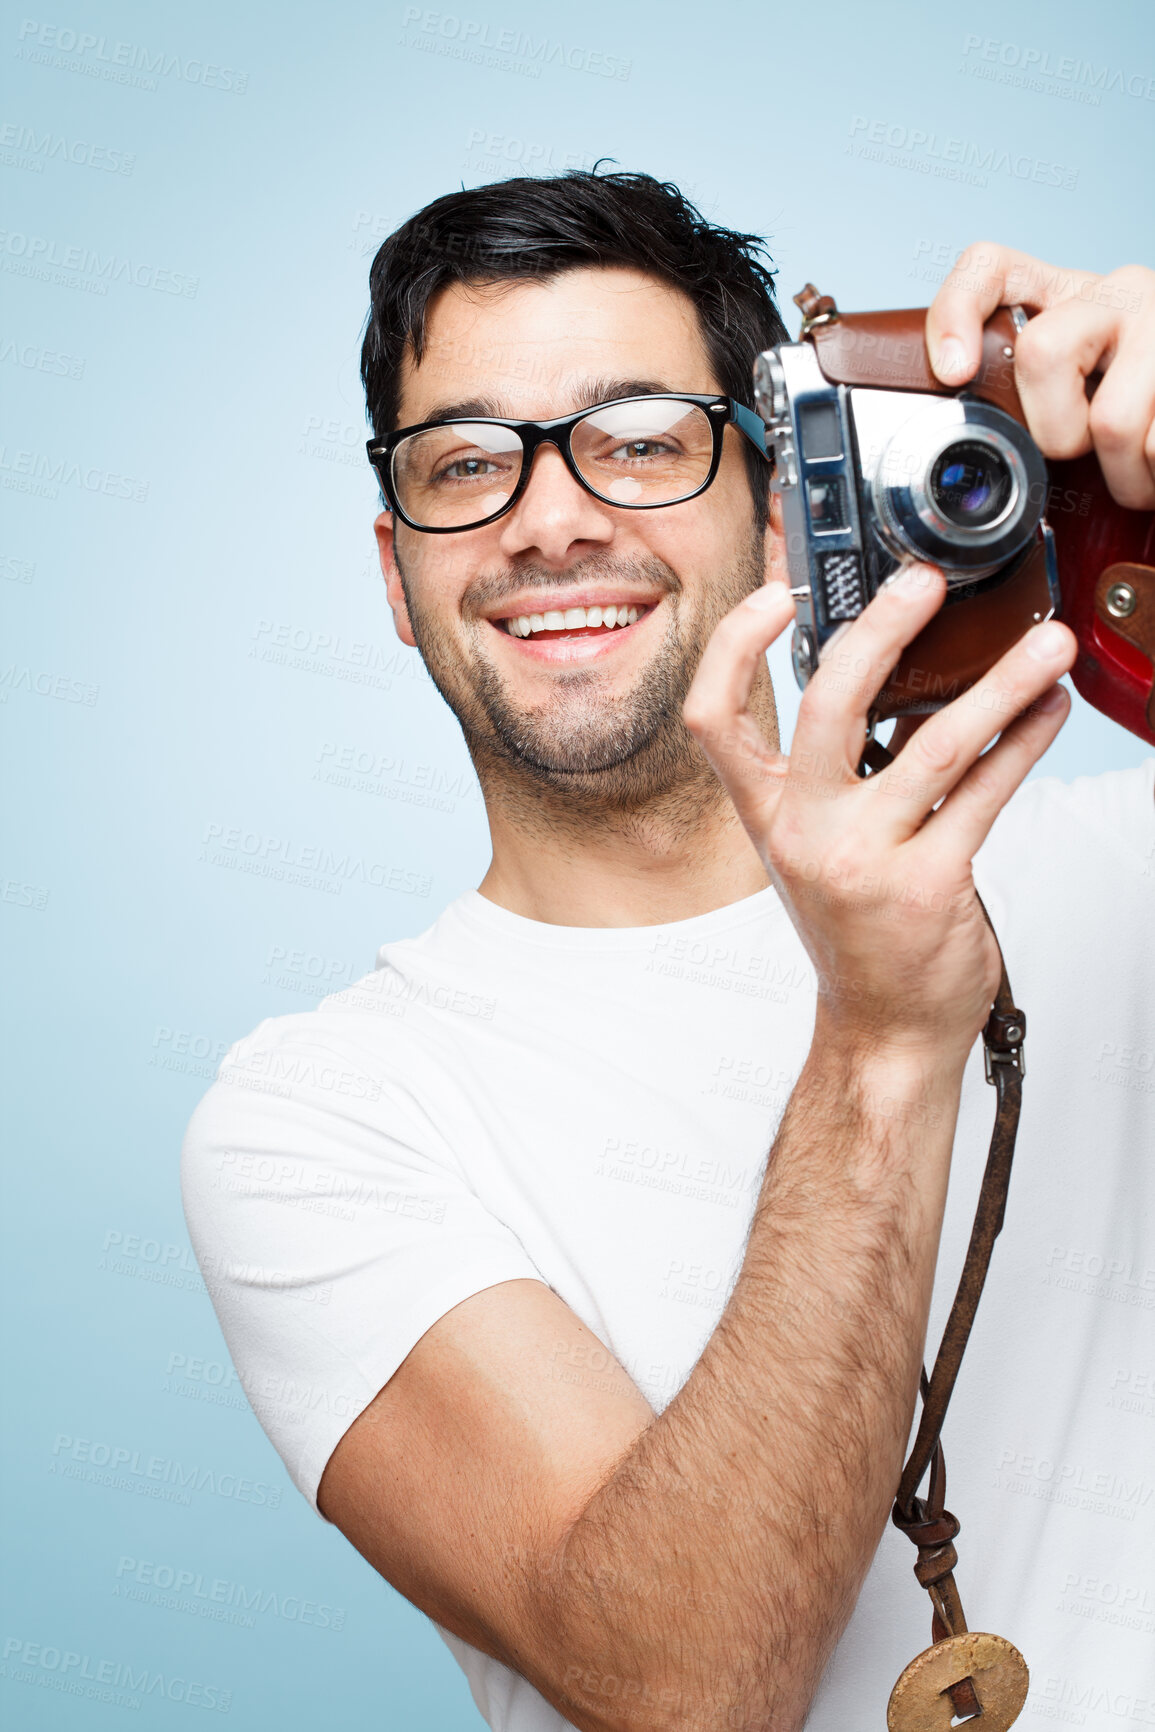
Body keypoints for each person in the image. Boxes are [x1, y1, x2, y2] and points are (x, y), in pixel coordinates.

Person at [181, 171, 1155, 1732]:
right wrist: (888, 1038)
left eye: (639, 439)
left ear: (783, 505)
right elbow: (684, 1688)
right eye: (465, 462)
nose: (550, 518)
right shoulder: (323, 1119)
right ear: (396, 574)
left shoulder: (1128, 873)